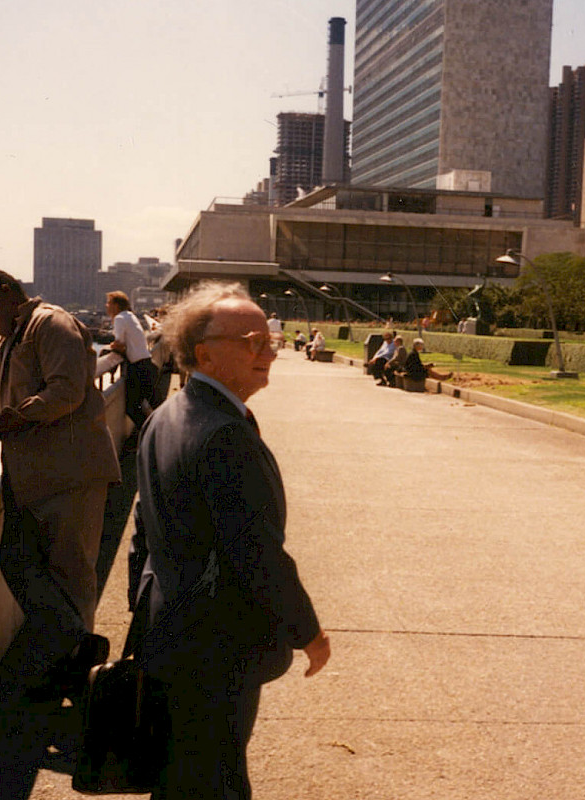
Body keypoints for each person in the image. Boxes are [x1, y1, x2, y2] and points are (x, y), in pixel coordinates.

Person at [134, 282, 330, 799]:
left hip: (171, 631)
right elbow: (257, 553)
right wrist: (307, 631)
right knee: (215, 779)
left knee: (184, 775)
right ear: (203, 354)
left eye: (270, 341)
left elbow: (143, 530)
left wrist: (148, 610)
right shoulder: (222, 432)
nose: (268, 353)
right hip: (214, 646)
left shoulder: (165, 416)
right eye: (251, 341)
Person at [0, 269, 121, 794]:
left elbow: (68, 392)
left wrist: (7, 420)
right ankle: (74, 648)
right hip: (33, 479)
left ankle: (79, 672)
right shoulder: (10, 341)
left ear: (7, 293)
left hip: (69, 475)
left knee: (71, 573)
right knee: (19, 564)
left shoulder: (51, 326)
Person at [106, 291, 158, 432]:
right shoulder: (130, 316)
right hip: (146, 364)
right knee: (146, 406)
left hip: (137, 368)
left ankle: (149, 436)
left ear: (116, 305)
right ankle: (152, 434)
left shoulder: (119, 319)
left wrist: (112, 345)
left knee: (132, 408)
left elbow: (119, 344)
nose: (107, 306)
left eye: (109, 303)